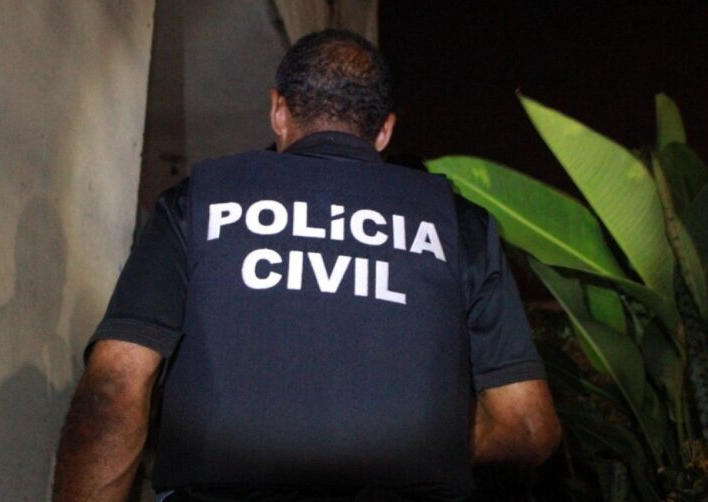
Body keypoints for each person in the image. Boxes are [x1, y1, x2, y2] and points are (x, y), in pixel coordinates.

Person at [53, 29, 560, 501]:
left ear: (279, 110)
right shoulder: (459, 225)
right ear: (384, 131)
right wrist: (419, 444)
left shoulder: (198, 202)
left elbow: (114, 389)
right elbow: (529, 426)